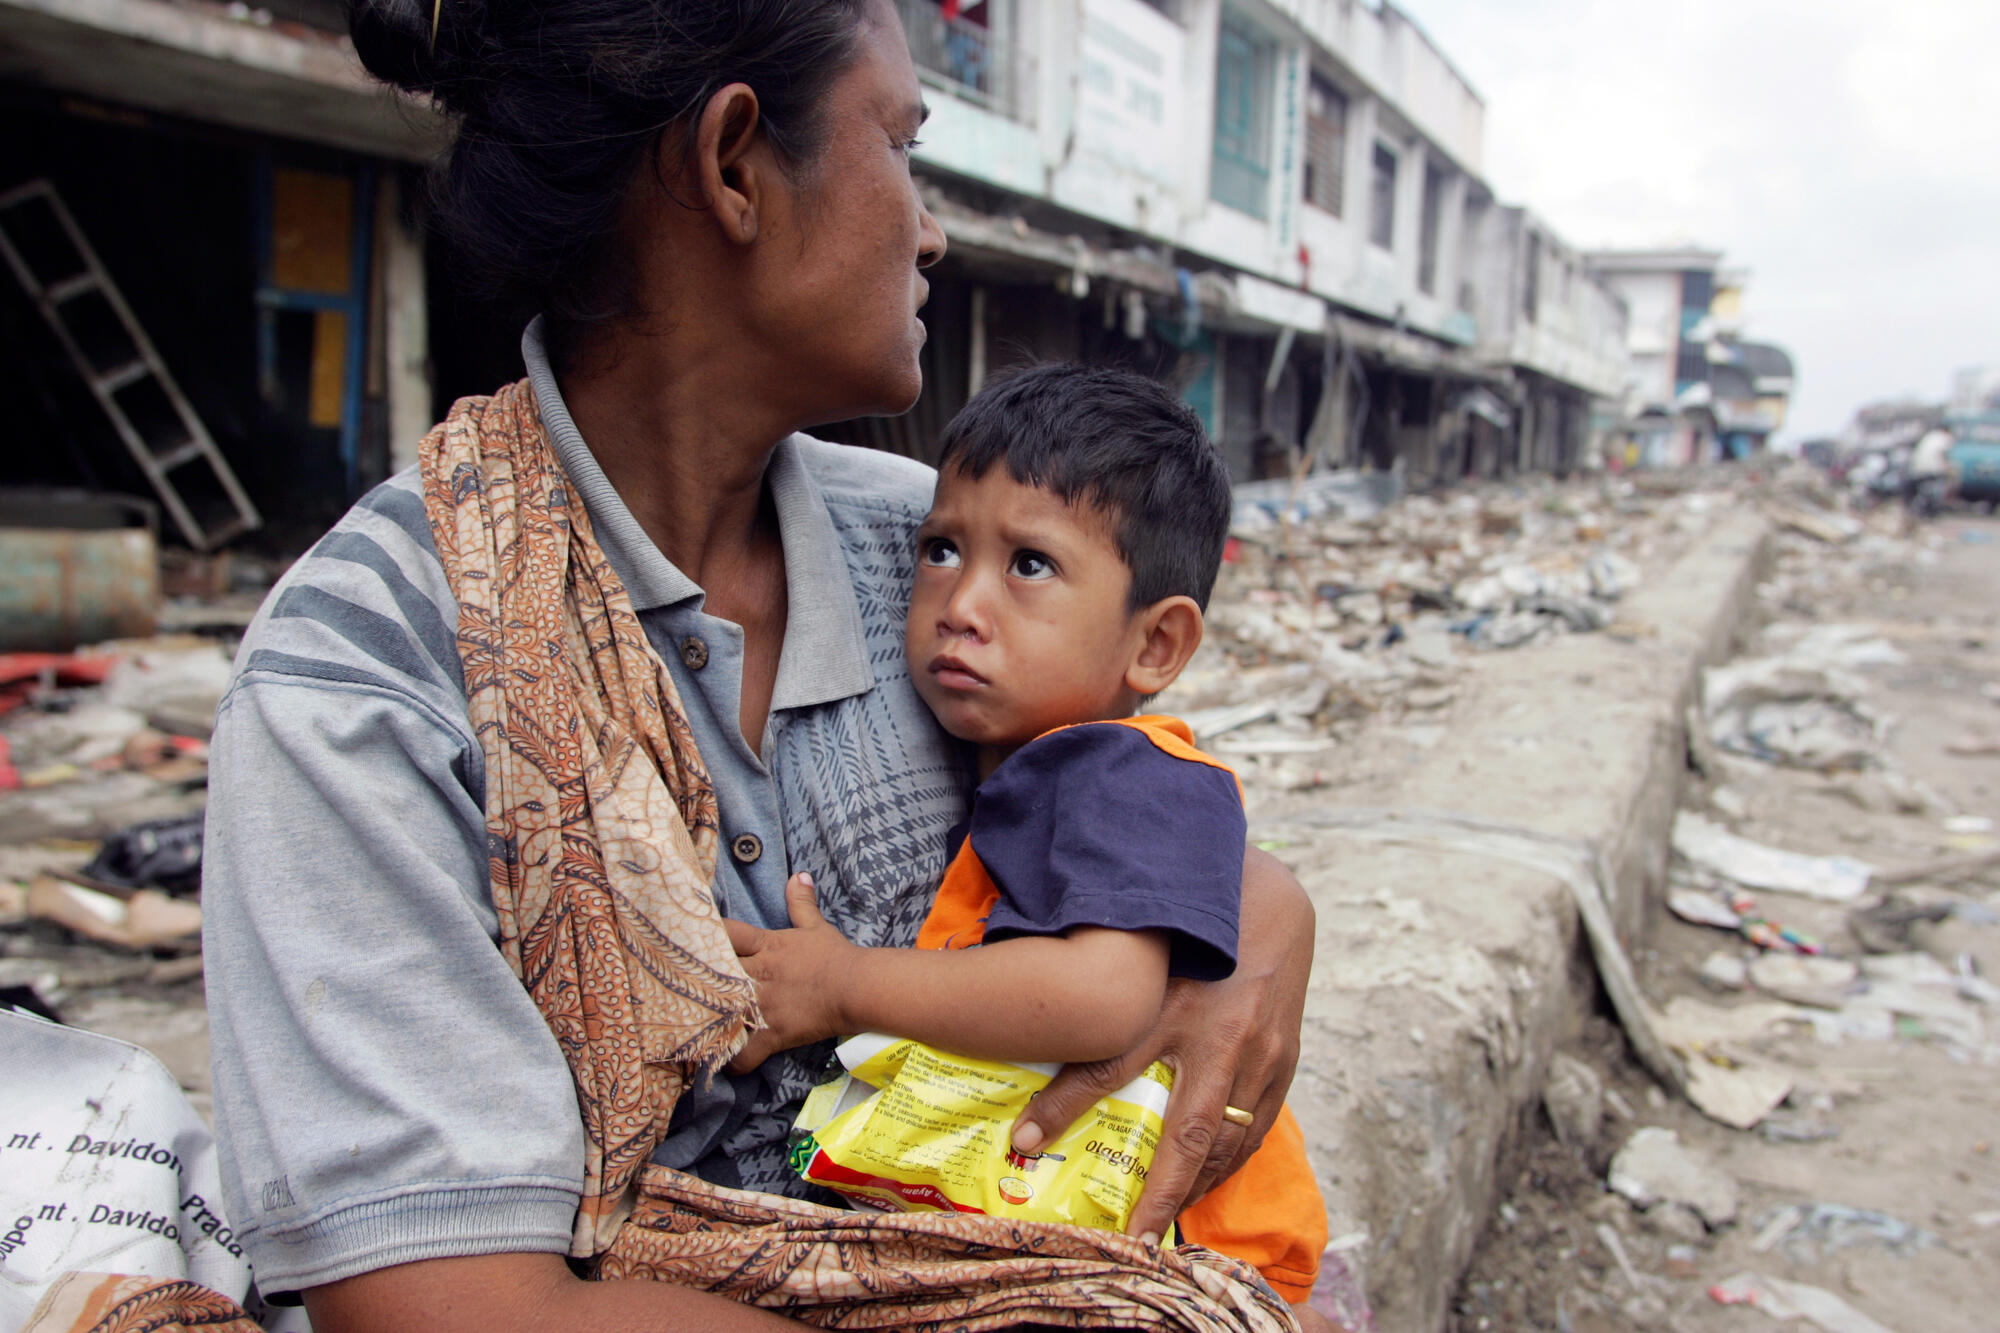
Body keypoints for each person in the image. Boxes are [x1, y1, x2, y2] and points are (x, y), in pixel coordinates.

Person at [201, 2, 1319, 1329]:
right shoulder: (375, 666)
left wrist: (1258, 916)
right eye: (902, 146)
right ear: (736, 163)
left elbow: (1124, 795)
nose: (933, 227)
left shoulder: (928, 551)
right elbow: (447, 1302)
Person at [725, 364, 1330, 1315]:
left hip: (1193, 1248)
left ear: (1157, 646)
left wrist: (835, 984)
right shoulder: (1026, 765)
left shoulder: (1124, 772)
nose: (961, 602)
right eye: (940, 549)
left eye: (1030, 565)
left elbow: (1097, 996)